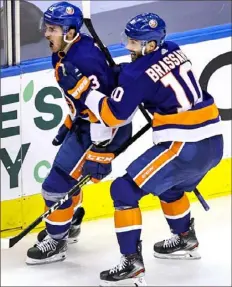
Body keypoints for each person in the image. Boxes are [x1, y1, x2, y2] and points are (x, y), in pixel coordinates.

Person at [57, 12, 224, 285]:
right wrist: (126, 77)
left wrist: (83, 91)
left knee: (123, 190)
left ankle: (131, 264)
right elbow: (154, 79)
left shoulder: (136, 74)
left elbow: (113, 115)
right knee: (170, 186)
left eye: (134, 43)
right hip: (214, 142)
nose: (128, 47)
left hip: (184, 144)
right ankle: (185, 238)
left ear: (151, 46)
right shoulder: (174, 49)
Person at [26, 1, 132, 265]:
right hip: (86, 123)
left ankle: (57, 240)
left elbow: (106, 109)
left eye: (52, 29)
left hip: (103, 129)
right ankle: (69, 222)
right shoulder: (64, 51)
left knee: (55, 186)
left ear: (71, 32)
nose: (46, 34)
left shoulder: (84, 59)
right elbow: (81, 98)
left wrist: (101, 149)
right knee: (64, 179)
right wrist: (71, 118)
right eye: (46, 27)